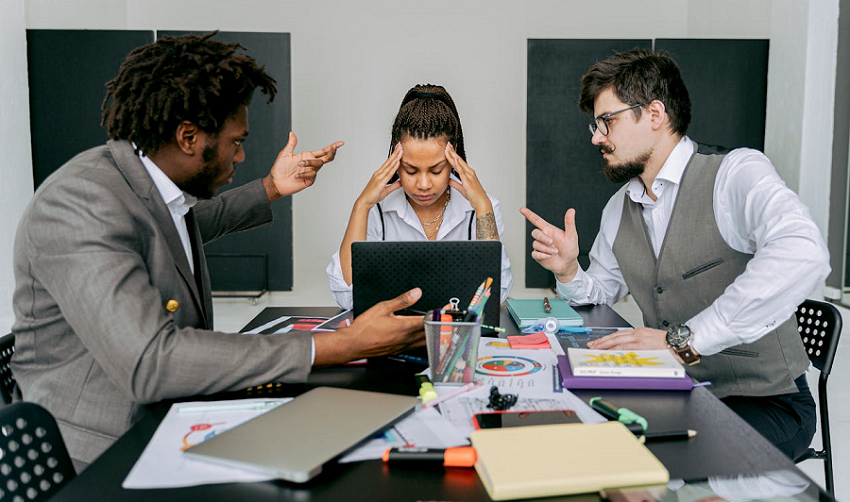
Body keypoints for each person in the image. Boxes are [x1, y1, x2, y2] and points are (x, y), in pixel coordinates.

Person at [11, 33, 425, 470]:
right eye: (235, 141)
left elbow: (190, 225)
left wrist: (271, 187)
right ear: (189, 136)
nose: (242, 154)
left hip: (166, 421)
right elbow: (152, 361)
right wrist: (338, 345)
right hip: (99, 455)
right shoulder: (80, 202)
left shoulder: (143, 187)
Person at [521, 48, 829, 460]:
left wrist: (681, 341)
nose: (596, 137)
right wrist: (568, 270)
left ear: (654, 114)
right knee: (576, 434)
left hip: (767, 402)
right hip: (675, 389)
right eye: (595, 125)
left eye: (606, 122)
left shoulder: (735, 174)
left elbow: (804, 251)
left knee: (647, 458)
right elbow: (601, 292)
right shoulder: (620, 206)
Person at [327, 84, 512, 309]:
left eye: (436, 170)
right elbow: (347, 296)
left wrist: (482, 207)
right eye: (411, 170)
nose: (423, 185)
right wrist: (361, 206)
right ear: (395, 164)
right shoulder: (374, 209)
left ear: (454, 161)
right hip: (392, 340)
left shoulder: (484, 208)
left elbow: (493, 296)